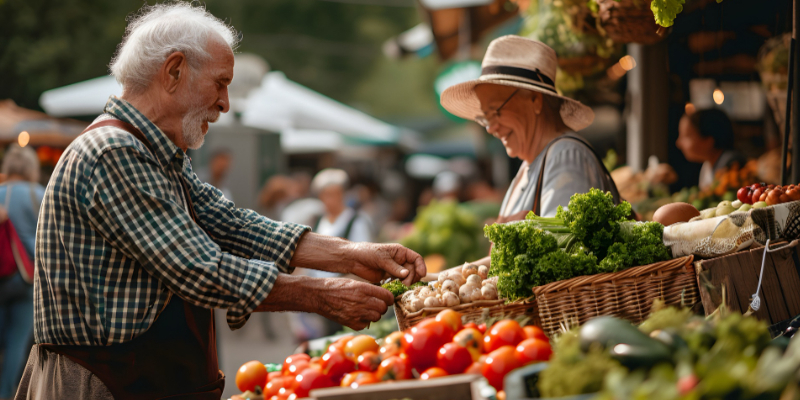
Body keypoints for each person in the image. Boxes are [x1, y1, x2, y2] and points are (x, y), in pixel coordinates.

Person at [15, 4, 425, 400]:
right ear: (174, 71)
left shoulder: (156, 153)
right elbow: (198, 267)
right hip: (100, 385)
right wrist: (321, 295)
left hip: (137, 380)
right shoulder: (113, 151)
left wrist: (352, 256)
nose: (225, 103)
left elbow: (233, 225)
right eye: (220, 82)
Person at [439, 35, 621, 267]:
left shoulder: (565, 155)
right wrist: (441, 278)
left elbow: (563, 251)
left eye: (496, 112)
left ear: (535, 100)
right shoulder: (528, 167)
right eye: (485, 118)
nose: (491, 128)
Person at [0, 145, 44, 400]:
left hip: (1, 273)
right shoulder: (38, 194)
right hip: (29, 277)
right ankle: (6, 393)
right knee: (19, 341)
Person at [676, 108, 747, 191]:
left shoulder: (732, 165)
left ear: (708, 140)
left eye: (686, 136)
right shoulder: (707, 165)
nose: (678, 143)